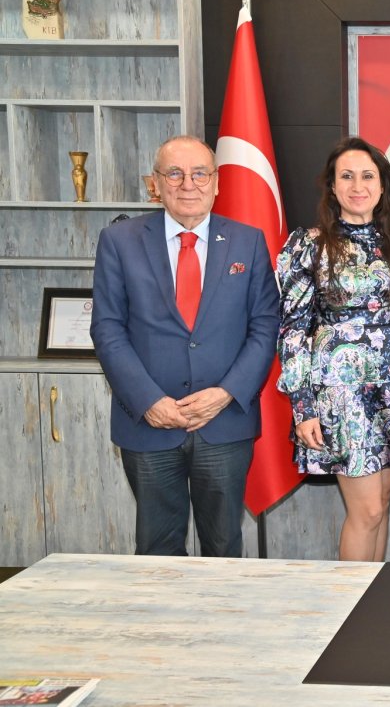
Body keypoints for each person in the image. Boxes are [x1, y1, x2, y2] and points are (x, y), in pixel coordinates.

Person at [91, 135, 279, 557]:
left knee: (224, 547)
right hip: (148, 424)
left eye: (199, 174)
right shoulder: (119, 241)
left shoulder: (248, 241)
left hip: (224, 422)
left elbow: (265, 326)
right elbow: (107, 329)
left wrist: (225, 393)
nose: (187, 184)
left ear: (217, 182)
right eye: (174, 173)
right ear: (154, 183)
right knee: (156, 549)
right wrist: (149, 401)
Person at [276, 136, 390, 562]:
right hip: (342, 392)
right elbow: (293, 330)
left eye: (367, 176)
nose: (357, 185)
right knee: (366, 510)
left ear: (382, 185)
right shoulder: (308, 244)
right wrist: (303, 407)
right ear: (332, 186)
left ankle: (373, 594)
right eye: (346, 176)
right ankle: (348, 599)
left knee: (381, 503)